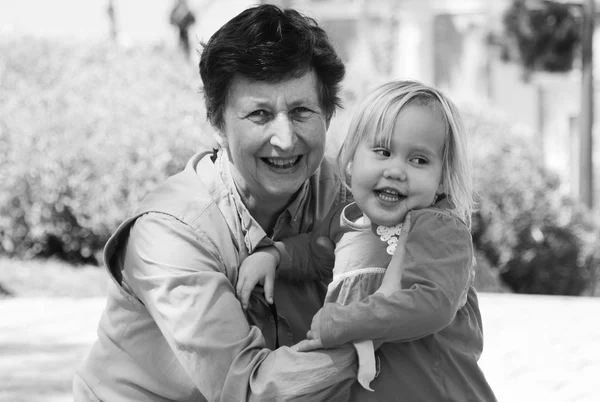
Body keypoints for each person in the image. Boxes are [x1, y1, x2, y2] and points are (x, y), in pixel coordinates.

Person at [73, 4, 360, 401]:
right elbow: (249, 391)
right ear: (217, 122)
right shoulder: (169, 231)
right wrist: (380, 337)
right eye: (259, 114)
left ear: (327, 115)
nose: (285, 139)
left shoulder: (351, 200)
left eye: (301, 111)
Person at [237, 80, 498, 401]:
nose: (396, 170)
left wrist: (344, 322)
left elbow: (431, 305)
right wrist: (275, 256)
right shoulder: (347, 221)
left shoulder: (439, 228)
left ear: (442, 178)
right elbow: (315, 253)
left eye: (419, 160)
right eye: (382, 152)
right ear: (350, 159)